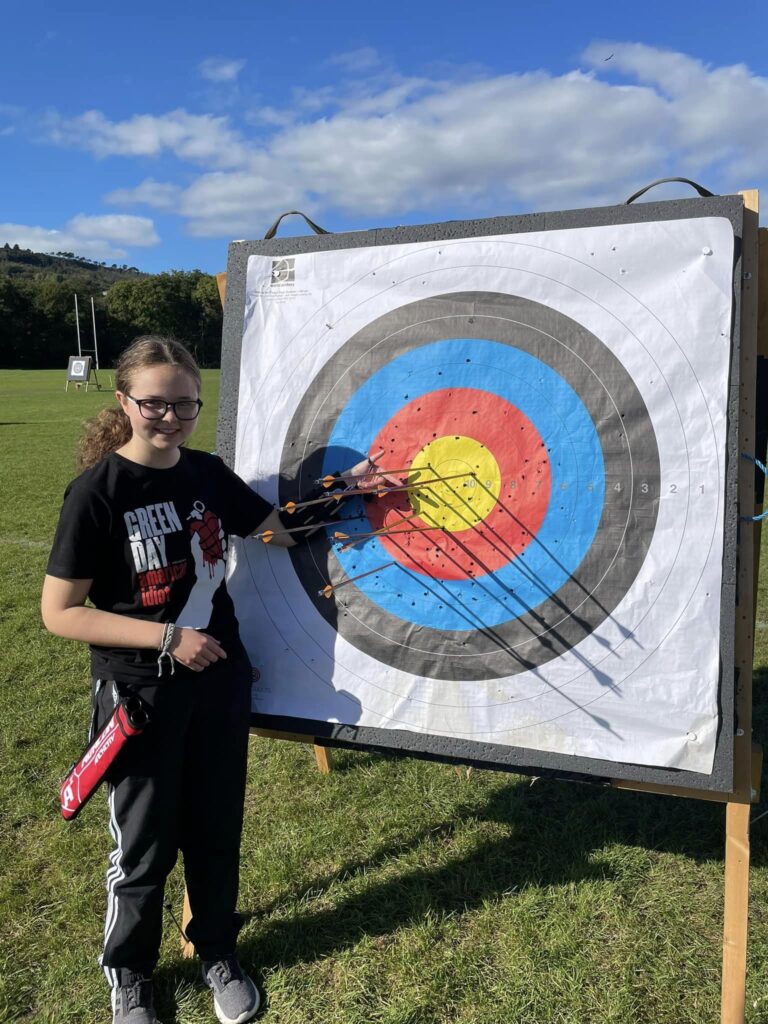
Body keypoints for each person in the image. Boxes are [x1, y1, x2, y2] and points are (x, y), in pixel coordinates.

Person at [41, 336, 378, 1024]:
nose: (170, 417)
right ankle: (130, 974)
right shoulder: (98, 493)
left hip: (219, 685)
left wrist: (346, 493)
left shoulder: (205, 472)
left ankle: (217, 950)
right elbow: (60, 613)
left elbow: (275, 530)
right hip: (141, 695)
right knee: (144, 844)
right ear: (124, 402)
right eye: (154, 403)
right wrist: (169, 638)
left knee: (217, 828)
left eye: (185, 404)